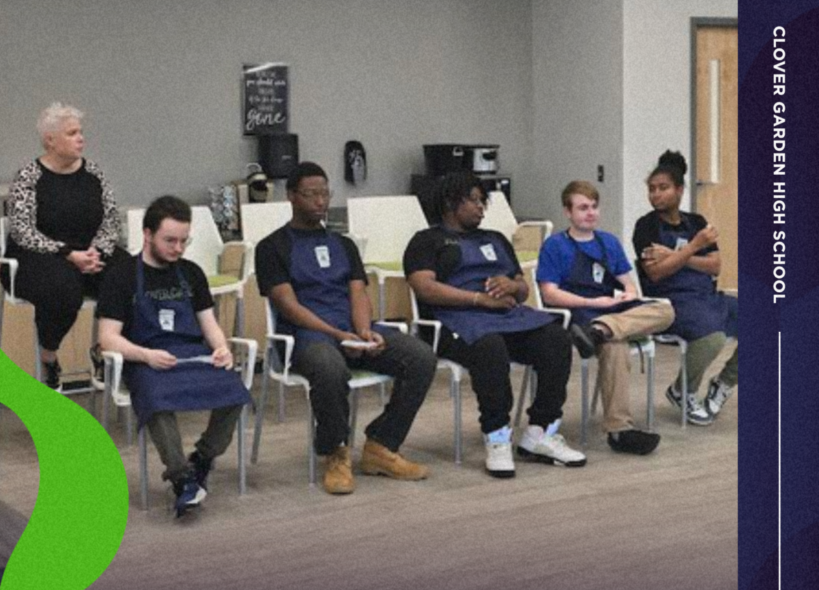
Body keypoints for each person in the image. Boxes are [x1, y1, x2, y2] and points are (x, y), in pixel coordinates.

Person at [255, 162, 436, 495]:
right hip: (306, 336)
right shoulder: (272, 247)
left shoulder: (344, 244)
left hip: (353, 330)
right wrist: (339, 336)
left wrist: (364, 332)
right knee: (329, 366)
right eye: (311, 194)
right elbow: (288, 306)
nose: (320, 201)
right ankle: (336, 452)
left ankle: (382, 445)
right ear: (291, 196)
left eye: (325, 193)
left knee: (421, 356)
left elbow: (358, 293)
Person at [404, 171, 584, 477]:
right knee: (490, 347)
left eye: (482, 201)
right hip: (453, 322)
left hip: (506, 318)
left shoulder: (496, 238)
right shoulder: (426, 241)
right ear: (449, 203)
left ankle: (540, 432)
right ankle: (497, 435)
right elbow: (425, 288)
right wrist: (478, 299)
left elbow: (522, 288)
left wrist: (512, 286)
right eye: (473, 200)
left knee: (555, 338)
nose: (481, 207)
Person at [97, 196, 252, 517]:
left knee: (235, 389)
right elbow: (108, 338)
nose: (178, 248)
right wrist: (145, 355)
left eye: (184, 241)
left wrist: (221, 348)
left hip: (191, 354)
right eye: (170, 240)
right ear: (147, 234)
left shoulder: (191, 273)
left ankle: (203, 458)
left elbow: (209, 324)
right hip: (144, 357)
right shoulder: (122, 276)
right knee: (156, 396)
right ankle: (181, 478)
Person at [537, 181, 674, 455]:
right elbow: (549, 294)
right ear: (568, 212)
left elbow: (630, 285)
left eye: (594, 207)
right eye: (583, 208)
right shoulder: (555, 246)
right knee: (615, 345)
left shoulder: (609, 242)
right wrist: (592, 302)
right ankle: (620, 431)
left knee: (666, 310)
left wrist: (627, 295)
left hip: (612, 312)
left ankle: (601, 330)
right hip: (581, 313)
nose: (591, 213)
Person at [3, 103, 128, 390]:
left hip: (88, 250)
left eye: (80, 132)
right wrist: (68, 254)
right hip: (38, 255)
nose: (81, 138)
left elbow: (111, 219)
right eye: (72, 133)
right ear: (50, 140)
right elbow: (22, 230)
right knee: (63, 288)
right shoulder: (28, 176)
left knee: (128, 274)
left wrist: (98, 251)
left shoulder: (93, 172)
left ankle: (103, 349)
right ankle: (49, 358)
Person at [633, 150, 738, 424]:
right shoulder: (645, 227)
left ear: (679, 190)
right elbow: (656, 273)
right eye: (652, 189)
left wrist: (676, 255)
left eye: (663, 188)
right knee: (713, 337)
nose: (656, 195)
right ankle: (682, 390)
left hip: (706, 295)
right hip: (671, 302)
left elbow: (715, 266)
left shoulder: (697, 223)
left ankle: (724, 383)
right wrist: (694, 247)